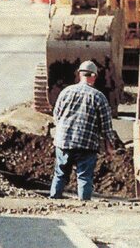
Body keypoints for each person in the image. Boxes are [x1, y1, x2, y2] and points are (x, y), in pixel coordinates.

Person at [50, 60, 116, 201]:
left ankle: (54, 201)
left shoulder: (65, 92)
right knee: (84, 176)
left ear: (79, 74)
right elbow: (106, 126)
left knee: (60, 173)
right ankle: (84, 207)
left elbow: (56, 116)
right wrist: (110, 146)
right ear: (94, 76)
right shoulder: (99, 97)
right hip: (87, 145)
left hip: (63, 142)